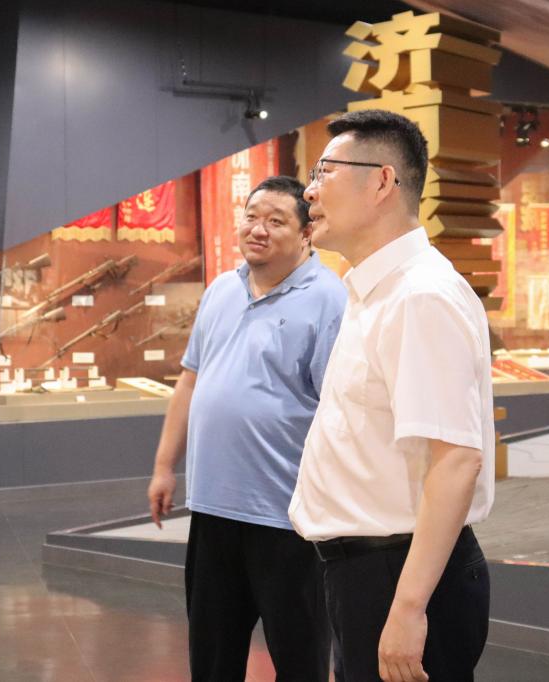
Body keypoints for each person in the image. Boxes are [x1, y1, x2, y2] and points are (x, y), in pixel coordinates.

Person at [289, 109, 494, 682]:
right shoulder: (375, 292)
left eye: (324, 172)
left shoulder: (419, 295)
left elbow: (457, 460)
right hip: (367, 573)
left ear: (382, 181)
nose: (309, 192)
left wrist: (406, 609)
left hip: (399, 575)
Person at [148, 176, 347, 681]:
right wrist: (164, 467)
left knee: (300, 661)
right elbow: (190, 381)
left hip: (288, 518)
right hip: (213, 509)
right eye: (252, 216)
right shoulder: (221, 289)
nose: (258, 229)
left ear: (306, 233)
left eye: (276, 221)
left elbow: (339, 410)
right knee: (212, 660)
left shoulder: (329, 299)